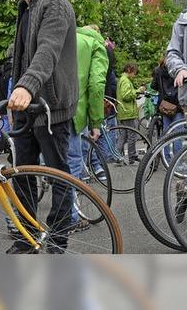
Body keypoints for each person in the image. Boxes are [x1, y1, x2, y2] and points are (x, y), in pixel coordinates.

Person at [0, 0, 78, 253]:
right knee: (22, 175)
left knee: (59, 177)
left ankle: (57, 244)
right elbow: (22, 59)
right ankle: (26, 238)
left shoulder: (53, 4)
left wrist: (27, 86)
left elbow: (47, 51)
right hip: (26, 110)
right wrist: (14, 96)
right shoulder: (27, 7)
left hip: (50, 109)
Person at [66, 25, 108, 232]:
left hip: (43, 109)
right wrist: (96, 122)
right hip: (72, 111)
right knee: (72, 164)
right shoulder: (95, 45)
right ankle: (70, 218)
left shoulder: (64, 34)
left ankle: (18, 222)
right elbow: (96, 86)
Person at [116, 63, 145, 163]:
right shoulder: (125, 81)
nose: (134, 75)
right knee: (132, 135)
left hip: (123, 111)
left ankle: (118, 156)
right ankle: (132, 156)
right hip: (128, 112)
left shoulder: (122, 79)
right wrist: (137, 91)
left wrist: (136, 94)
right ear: (129, 69)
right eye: (134, 72)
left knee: (123, 135)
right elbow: (126, 95)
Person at [151, 57, 183, 138]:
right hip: (177, 103)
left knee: (166, 132)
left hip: (164, 104)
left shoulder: (158, 70)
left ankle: (166, 150)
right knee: (178, 133)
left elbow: (153, 86)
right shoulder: (179, 69)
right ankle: (179, 151)